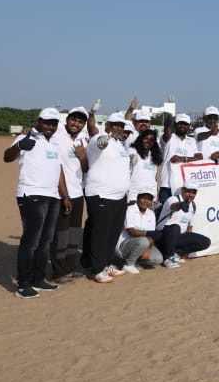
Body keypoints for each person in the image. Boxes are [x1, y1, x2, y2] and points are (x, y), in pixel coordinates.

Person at [4, 108, 73, 299]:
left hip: (53, 196)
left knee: (46, 241)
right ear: (38, 121)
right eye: (47, 122)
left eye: (54, 123)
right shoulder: (27, 138)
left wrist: (65, 196)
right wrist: (19, 146)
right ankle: (23, 284)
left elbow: (58, 171)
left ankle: (38, 279)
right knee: (31, 241)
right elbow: (6, 157)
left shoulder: (54, 144)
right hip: (31, 193)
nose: (50, 126)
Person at [82, 112, 131, 283]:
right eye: (115, 125)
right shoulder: (100, 138)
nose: (118, 128)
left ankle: (107, 263)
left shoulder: (119, 144)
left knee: (112, 233)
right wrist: (102, 140)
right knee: (100, 234)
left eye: (121, 125)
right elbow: (98, 142)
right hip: (101, 195)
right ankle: (96, 269)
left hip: (119, 197)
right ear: (108, 125)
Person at [48, 106, 89, 282]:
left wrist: (81, 156)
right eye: (74, 119)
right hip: (59, 193)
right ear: (67, 119)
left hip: (77, 192)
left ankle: (70, 268)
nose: (76, 123)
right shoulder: (56, 137)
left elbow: (86, 169)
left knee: (73, 233)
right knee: (60, 234)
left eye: (80, 121)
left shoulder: (83, 140)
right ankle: (58, 272)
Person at [155, 179, 212, 268]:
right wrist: (181, 205)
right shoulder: (173, 199)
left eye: (194, 192)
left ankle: (176, 253)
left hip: (178, 238)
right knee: (175, 227)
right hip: (163, 236)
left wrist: (188, 240)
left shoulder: (192, 206)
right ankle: (168, 258)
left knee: (205, 242)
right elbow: (173, 206)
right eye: (188, 191)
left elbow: (189, 225)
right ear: (182, 190)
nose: (191, 195)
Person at [115, 187, 162, 273]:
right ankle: (128, 264)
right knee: (144, 241)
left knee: (158, 259)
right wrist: (146, 235)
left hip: (142, 243)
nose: (146, 201)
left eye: (149, 199)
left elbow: (151, 236)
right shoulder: (130, 209)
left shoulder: (151, 213)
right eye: (144, 198)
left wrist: (148, 249)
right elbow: (131, 231)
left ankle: (135, 262)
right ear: (137, 198)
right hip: (125, 243)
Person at [159, 113, 202, 204]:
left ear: (189, 126)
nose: (182, 126)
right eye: (180, 123)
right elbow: (166, 136)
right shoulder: (170, 138)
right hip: (167, 185)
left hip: (184, 185)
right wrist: (167, 126)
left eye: (185, 124)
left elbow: (199, 157)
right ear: (175, 125)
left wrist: (183, 159)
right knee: (165, 213)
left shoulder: (192, 140)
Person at [128, 129, 163, 203]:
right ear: (141, 139)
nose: (148, 141)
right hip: (134, 196)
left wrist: (157, 195)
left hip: (150, 197)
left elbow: (157, 178)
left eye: (151, 140)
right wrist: (131, 157)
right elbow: (130, 155)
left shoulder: (154, 156)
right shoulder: (133, 151)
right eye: (146, 138)